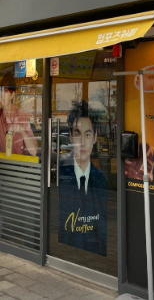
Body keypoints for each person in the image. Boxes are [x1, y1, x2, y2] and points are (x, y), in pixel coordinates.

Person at [58, 109, 107, 257]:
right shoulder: (60, 175)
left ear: (95, 138)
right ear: (71, 137)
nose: (82, 142)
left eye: (88, 134)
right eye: (78, 134)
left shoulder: (100, 181)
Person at [0, 74, 37, 157]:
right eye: (1, 91)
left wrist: (22, 131)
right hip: (4, 163)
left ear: (12, 94)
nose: (2, 94)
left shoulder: (21, 114)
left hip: (18, 163)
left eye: (6, 91)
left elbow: (34, 152)